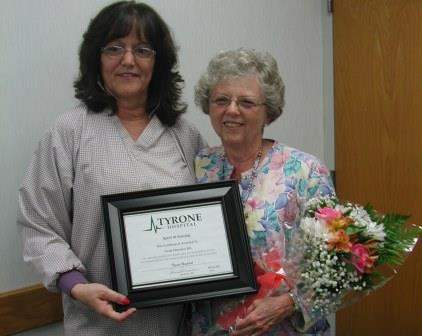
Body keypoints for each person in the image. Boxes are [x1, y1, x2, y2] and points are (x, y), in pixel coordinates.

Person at [17, 1, 205, 335]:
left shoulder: (184, 135)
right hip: (98, 324)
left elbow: (208, 220)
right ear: (96, 58)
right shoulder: (69, 132)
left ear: (158, 62)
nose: (128, 60)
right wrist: (75, 284)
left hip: (176, 324)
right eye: (115, 48)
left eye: (143, 49)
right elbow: (38, 224)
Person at [192, 48, 335, 335]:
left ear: (268, 111)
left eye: (246, 102)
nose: (231, 110)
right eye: (221, 100)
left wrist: (289, 302)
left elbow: (338, 266)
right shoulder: (198, 166)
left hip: (283, 328)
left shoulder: (304, 171)